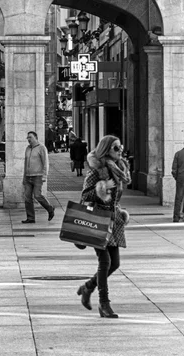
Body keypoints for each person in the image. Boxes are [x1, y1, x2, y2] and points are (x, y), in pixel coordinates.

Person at [76, 135, 131, 319]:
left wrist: (120, 211)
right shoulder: (97, 170)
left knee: (115, 263)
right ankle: (104, 304)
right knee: (105, 261)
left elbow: (116, 196)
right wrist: (102, 187)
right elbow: (85, 196)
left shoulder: (118, 168)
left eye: (120, 146)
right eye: (116, 148)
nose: (120, 150)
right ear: (106, 149)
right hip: (98, 219)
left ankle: (88, 287)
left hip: (113, 220)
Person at [21, 131, 55, 224]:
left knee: (37, 195)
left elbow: (45, 163)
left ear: (36, 138)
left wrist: (44, 175)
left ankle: (50, 208)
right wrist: (24, 177)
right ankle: (30, 217)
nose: (28, 139)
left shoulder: (41, 148)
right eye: (27, 138)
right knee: (27, 198)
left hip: (38, 176)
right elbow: (25, 163)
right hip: (28, 176)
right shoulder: (27, 148)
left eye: (30, 137)